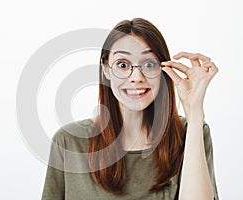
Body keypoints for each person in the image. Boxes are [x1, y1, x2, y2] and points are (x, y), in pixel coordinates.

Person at [41, 18, 219, 200]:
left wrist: (194, 111)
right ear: (106, 69)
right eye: (123, 65)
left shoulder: (192, 132)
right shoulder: (68, 141)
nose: (136, 77)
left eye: (149, 64)